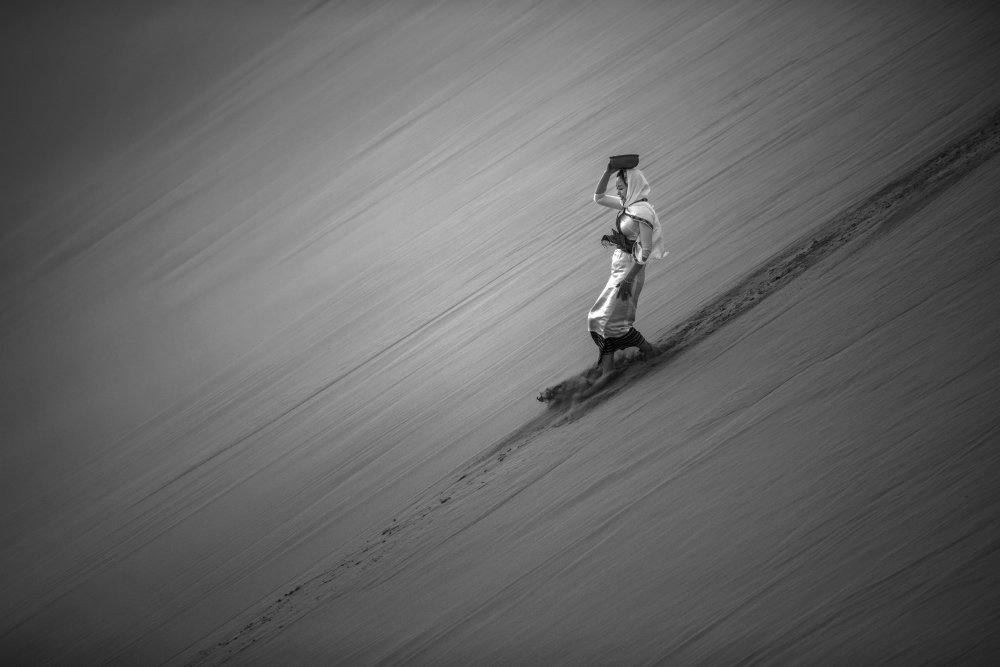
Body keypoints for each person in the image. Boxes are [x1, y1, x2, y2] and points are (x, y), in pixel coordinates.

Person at [588, 162, 666, 377]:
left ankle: (644, 353)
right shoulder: (628, 205)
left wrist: (629, 280)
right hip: (619, 270)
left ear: (632, 186)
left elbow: (646, 250)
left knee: (612, 322)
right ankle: (610, 367)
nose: (619, 192)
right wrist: (608, 171)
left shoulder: (642, 212)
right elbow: (599, 197)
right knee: (598, 319)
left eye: (621, 188)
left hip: (629, 273)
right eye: (618, 188)